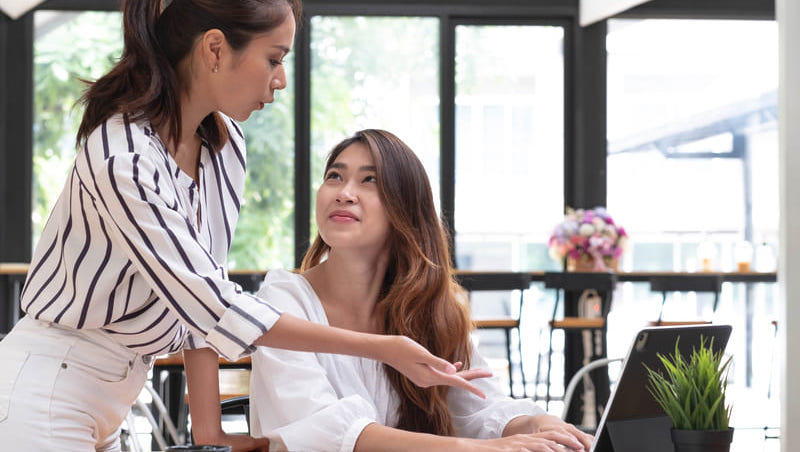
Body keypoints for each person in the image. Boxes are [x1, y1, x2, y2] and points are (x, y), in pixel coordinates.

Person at [0, 2, 484, 450]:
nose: (281, 80)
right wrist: (385, 349)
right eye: (274, 59)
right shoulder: (123, 158)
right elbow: (215, 305)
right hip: (46, 385)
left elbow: (201, 294)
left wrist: (210, 434)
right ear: (215, 50)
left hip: (115, 395)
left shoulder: (223, 146)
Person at [188, 129, 595, 451]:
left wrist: (536, 424)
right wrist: (475, 449)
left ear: (406, 209)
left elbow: (481, 407)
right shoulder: (285, 300)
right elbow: (330, 434)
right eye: (334, 176)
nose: (344, 192)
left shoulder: (432, 310)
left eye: (369, 181)